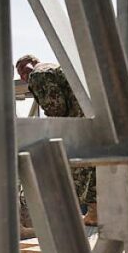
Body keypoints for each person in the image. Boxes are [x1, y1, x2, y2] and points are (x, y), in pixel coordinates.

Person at [15, 55, 97, 226]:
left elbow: (57, 108)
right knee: (92, 169)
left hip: (76, 126)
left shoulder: (38, 74)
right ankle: (95, 213)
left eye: (22, 72)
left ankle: (72, 217)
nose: (23, 77)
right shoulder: (55, 68)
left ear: (28, 66)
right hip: (91, 120)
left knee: (73, 170)